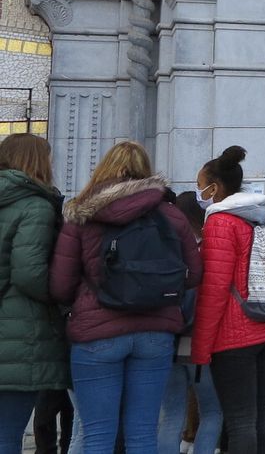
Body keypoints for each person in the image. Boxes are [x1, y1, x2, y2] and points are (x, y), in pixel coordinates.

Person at [49, 141, 199, 454]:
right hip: (155, 331)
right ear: (145, 170)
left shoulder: (82, 213)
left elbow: (61, 286)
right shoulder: (171, 214)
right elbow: (194, 274)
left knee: (98, 436)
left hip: (96, 333)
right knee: (143, 435)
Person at [191, 146, 265, 454]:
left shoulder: (221, 223)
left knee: (240, 421)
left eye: (200, 186)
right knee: (262, 415)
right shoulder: (259, 217)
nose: (199, 193)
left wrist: (200, 347)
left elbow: (214, 290)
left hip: (235, 335)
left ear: (215, 188)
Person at [0, 134, 69, 454]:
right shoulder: (35, 205)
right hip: (18, 334)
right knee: (7, 434)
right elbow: (29, 272)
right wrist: (60, 295)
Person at [156, 192, 223, 454]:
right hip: (198, 340)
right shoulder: (205, 248)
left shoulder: (163, 246)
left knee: (172, 414)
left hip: (168, 339)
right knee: (212, 411)